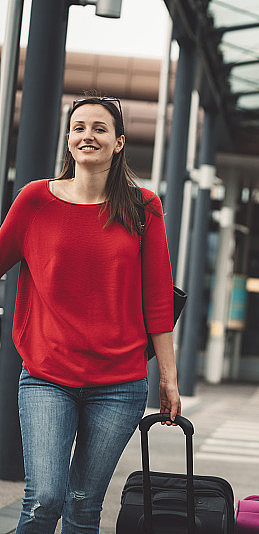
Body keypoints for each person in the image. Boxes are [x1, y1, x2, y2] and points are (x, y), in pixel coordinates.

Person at [0, 96, 181, 533]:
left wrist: (169, 379)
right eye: (79, 127)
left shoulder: (143, 207)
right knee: (44, 498)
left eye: (100, 128)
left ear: (118, 143)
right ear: (68, 140)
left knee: (84, 506)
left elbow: (159, 299)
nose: (88, 136)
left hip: (118, 384)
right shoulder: (35, 200)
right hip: (47, 375)